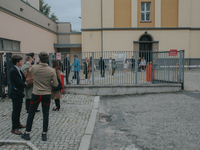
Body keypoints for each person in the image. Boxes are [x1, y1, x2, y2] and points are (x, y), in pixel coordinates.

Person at [21, 51, 58, 141]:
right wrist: (49, 82)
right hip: (46, 94)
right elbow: (55, 84)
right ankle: (44, 134)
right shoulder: (51, 70)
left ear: (39, 59)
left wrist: (37, 63)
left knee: (31, 113)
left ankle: (27, 133)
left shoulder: (34, 68)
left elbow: (29, 70)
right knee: (45, 114)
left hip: (36, 93)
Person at [9, 55, 27, 135]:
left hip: (19, 92)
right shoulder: (13, 70)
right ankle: (14, 127)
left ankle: (18, 123)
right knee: (16, 110)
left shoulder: (18, 69)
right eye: (21, 61)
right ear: (17, 62)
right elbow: (17, 81)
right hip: (15, 93)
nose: (22, 62)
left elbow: (22, 78)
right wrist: (25, 84)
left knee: (19, 109)